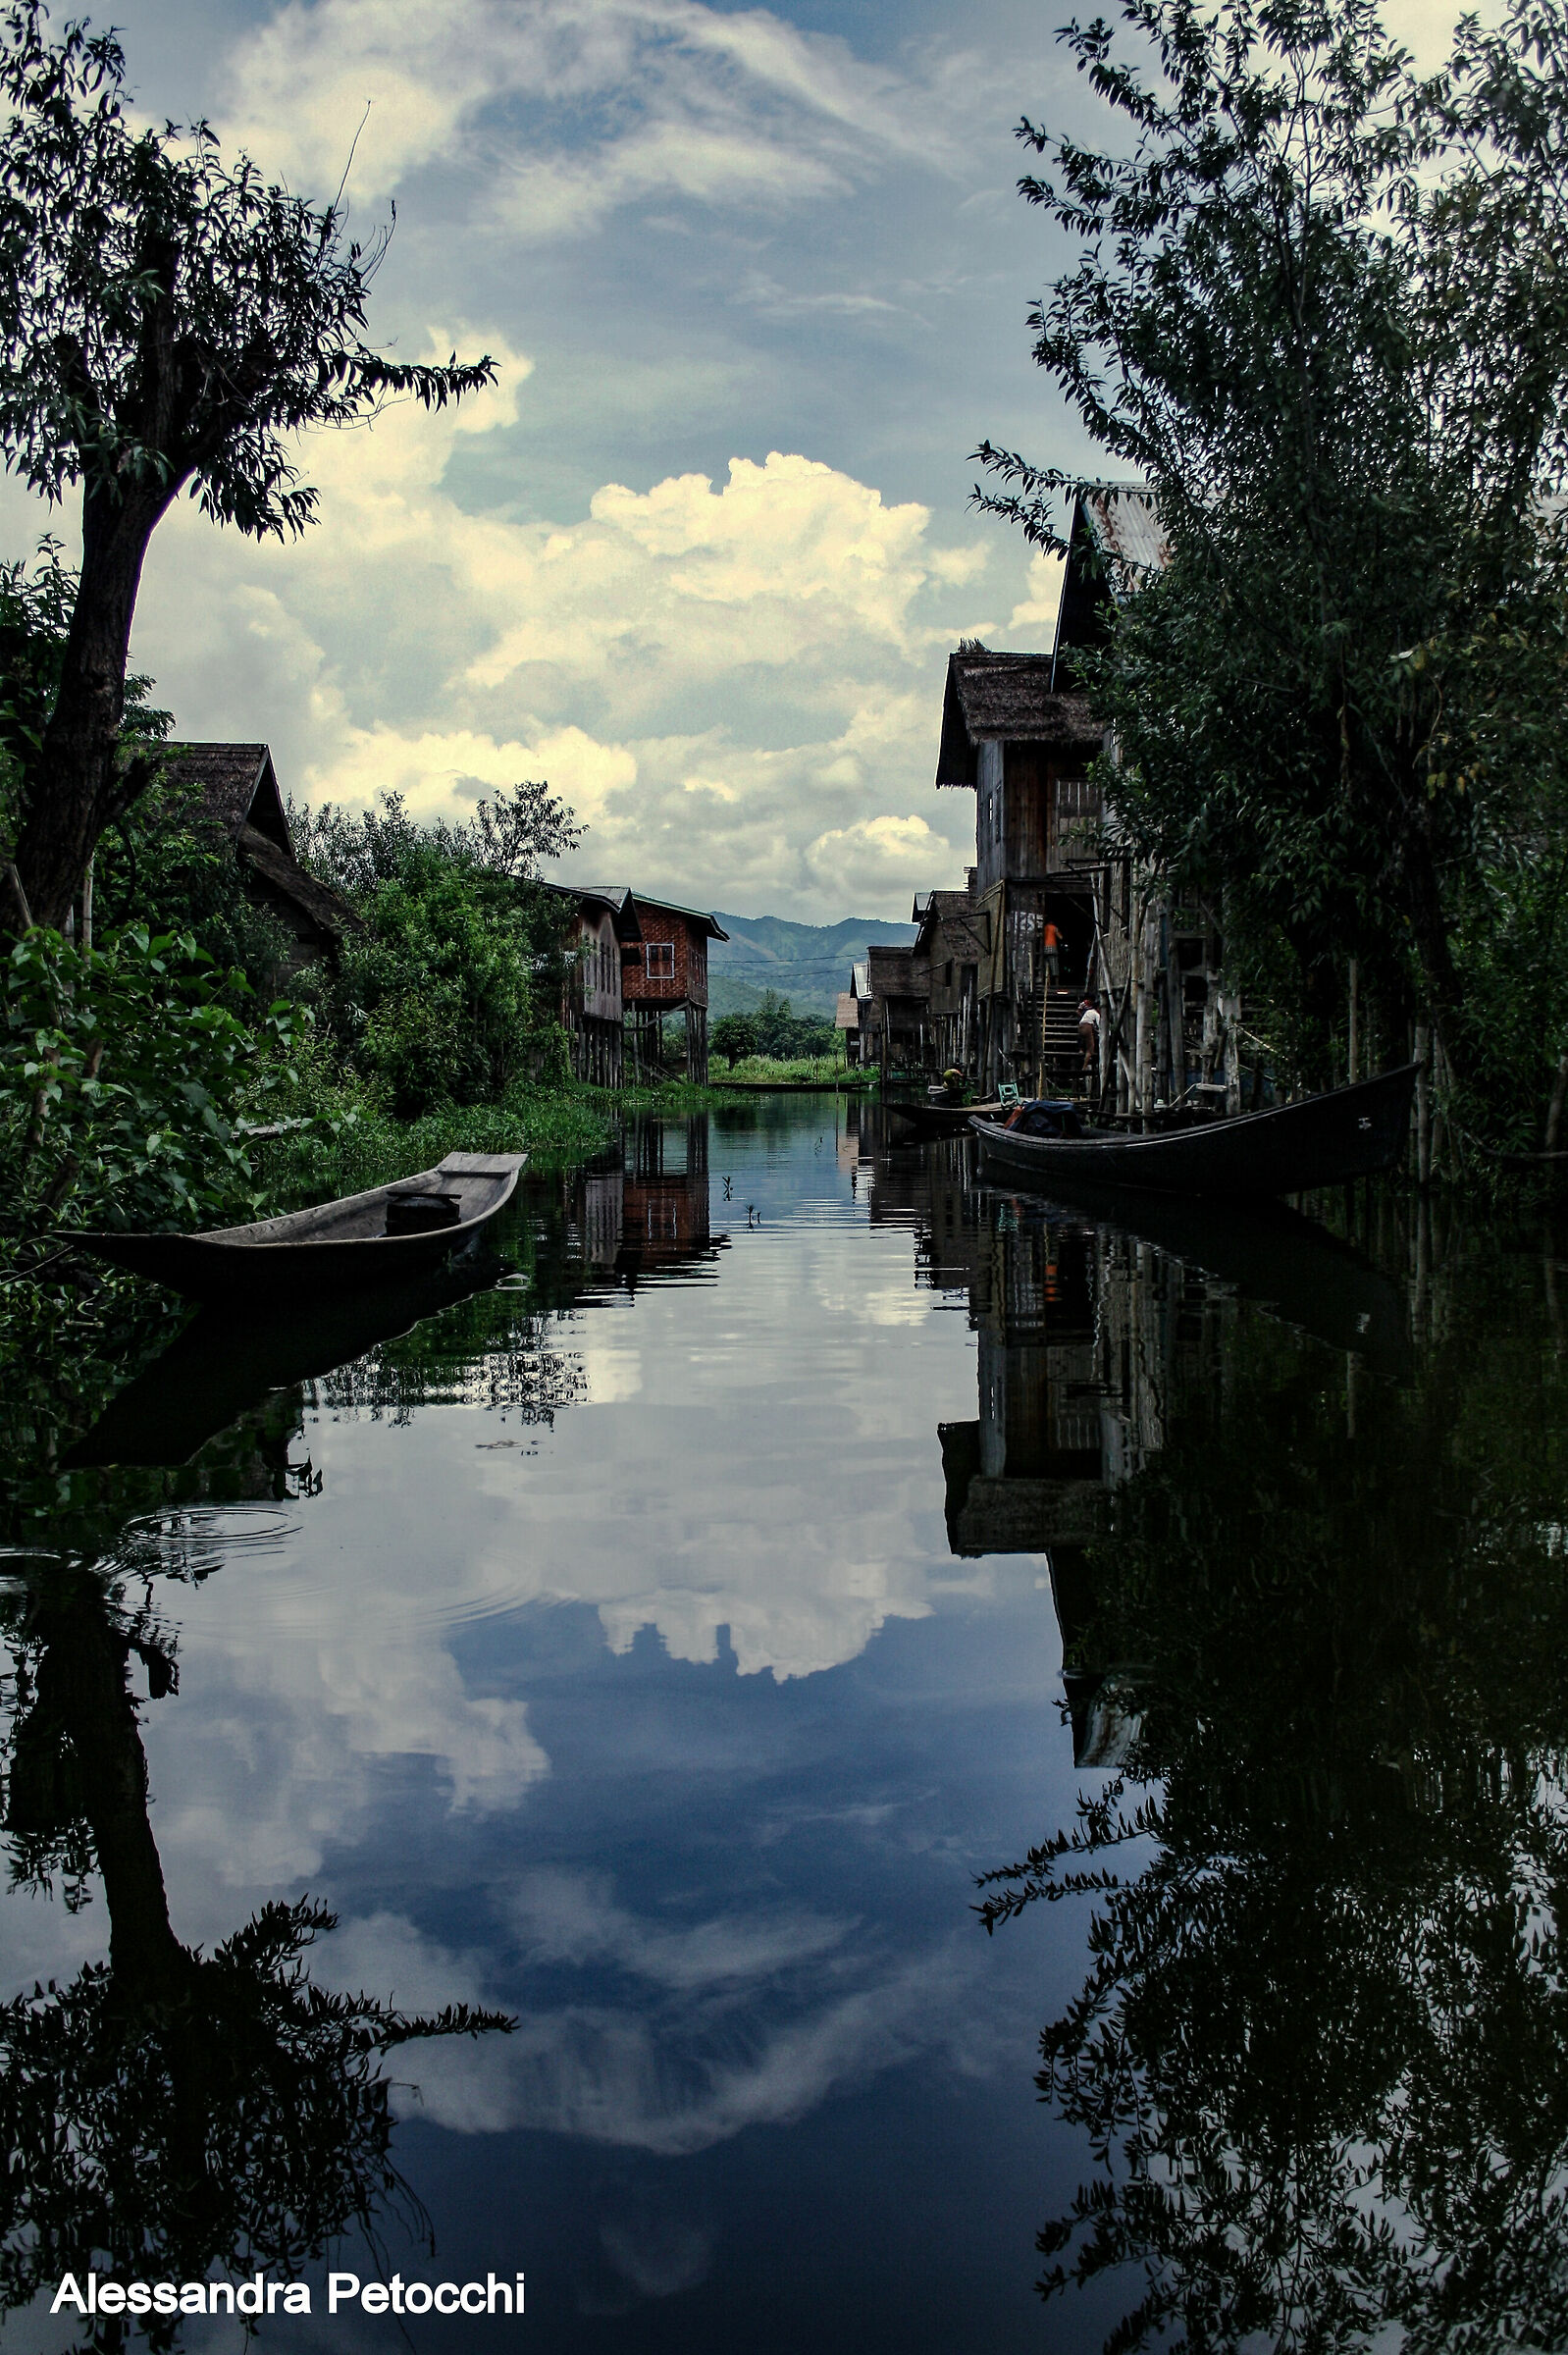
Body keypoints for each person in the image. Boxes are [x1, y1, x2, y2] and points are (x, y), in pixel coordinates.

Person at [1077, 997, 1102, 1078]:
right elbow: (1099, 1026)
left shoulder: (1088, 1011)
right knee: (1090, 1050)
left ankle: (1081, 1050)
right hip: (1088, 1027)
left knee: (1083, 1039)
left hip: (1080, 1027)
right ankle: (1084, 1068)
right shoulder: (1096, 1014)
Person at [1042, 919, 1062, 991]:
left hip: (1045, 949)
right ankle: (1056, 985)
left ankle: (1047, 985)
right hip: (1052, 949)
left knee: (1047, 967)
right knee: (1054, 967)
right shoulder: (1054, 927)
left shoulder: (1044, 928)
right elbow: (1060, 937)